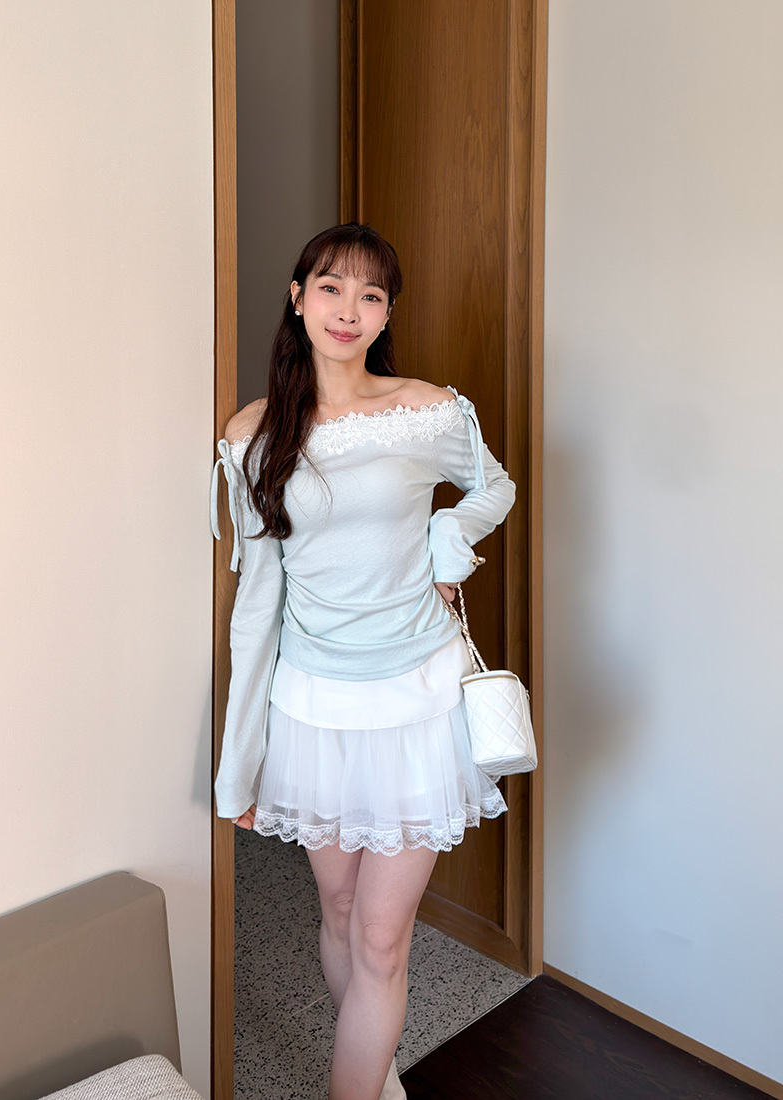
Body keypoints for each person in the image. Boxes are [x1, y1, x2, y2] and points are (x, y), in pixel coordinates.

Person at [210, 222, 516, 1100]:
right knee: (340, 913)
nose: (349, 309)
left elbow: (494, 483)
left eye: (371, 294)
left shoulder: (424, 410)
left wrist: (451, 533)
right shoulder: (254, 432)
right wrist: (239, 763)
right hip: (313, 708)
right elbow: (257, 603)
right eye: (331, 287)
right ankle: (376, 1081)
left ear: (386, 316)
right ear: (297, 297)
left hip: (418, 702)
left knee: (382, 940)